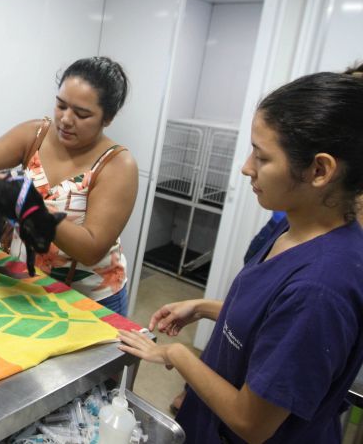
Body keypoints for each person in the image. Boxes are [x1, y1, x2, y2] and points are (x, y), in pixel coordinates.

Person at [118, 72, 363, 443]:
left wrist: (176, 355)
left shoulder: (321, 287)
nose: (246, 167)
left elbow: (252, 423)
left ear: (319, 170)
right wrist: (203, 307)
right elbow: (273, 321)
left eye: (262, 157)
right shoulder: (295, 230)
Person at [0, 56, 139, 315]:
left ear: (107, 118)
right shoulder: (34, 135)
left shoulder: (118, 165)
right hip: (27, 285)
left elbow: (91, 249)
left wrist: (30, 206)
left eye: (82, 114)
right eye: (61, 106)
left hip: (88, 301)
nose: (65, 119)